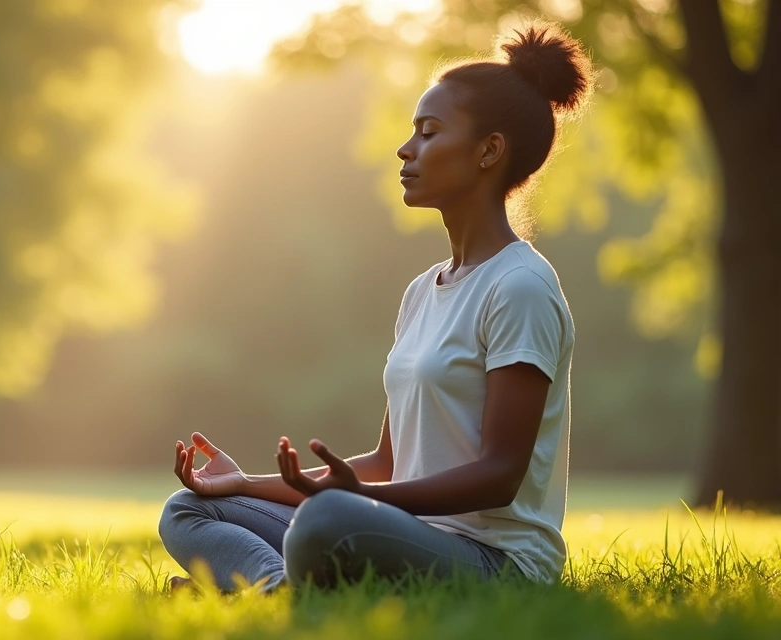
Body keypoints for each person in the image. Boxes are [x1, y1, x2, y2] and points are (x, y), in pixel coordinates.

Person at [158, 19, 594, 593]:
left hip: (496, 563)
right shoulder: (423, 292)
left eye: (429, 132)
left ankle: (265, 592)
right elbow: (388, 464)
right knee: (188, 509)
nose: (405, 148)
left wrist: (357, 499)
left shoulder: (520, 287)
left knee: (330, 519)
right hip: (399, 529)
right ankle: (275, 590)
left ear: (489, 150)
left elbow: (499, 478)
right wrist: (244, 484)